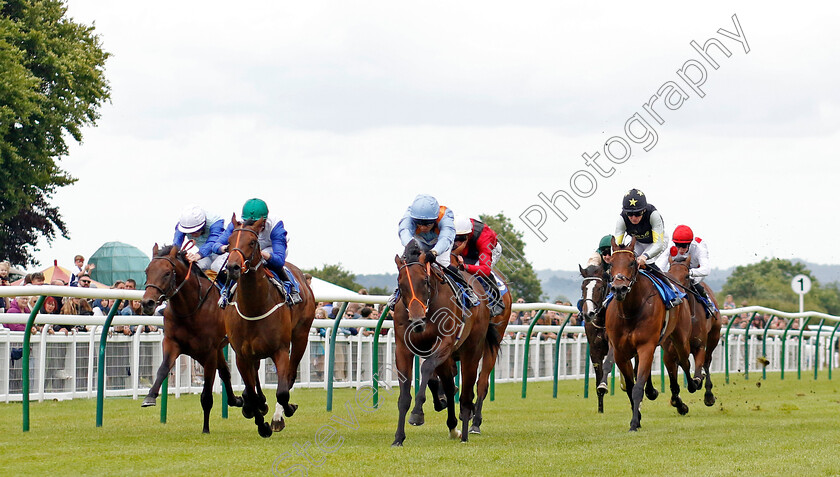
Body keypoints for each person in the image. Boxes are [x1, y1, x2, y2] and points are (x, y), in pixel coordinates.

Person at [394, 194, 478, 307]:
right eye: (419, 223)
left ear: (435, 219)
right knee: (408, 264)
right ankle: (397, 292)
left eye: (427, 224)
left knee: (443, 263)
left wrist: (435, 252)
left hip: (441, 242)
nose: (423, 227)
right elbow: (404, 230)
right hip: (418, 242)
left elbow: (446, 238)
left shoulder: (445, 215)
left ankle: (467, 289)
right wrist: (409, 245)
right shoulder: (409, 215)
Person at [216, 198, 302, 305]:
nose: (253, 226)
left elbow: (280, 260)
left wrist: (261, 254)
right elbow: (216, 245)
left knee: (271, 264)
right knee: (234, 262)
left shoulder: (275, 225)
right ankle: (226, 291)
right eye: (249, 222)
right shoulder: (238, 222)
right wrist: (225, 248)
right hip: (248, 248)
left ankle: (291, 287)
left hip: (270, 249)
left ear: (264, 220)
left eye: (257, 223)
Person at [451, 214, 504, 316]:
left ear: (468, 234)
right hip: (467, 249)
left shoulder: (484, 237)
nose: (457, 243)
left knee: (478, 274)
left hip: (489, 250)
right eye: (455, 238)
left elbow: (485, 269)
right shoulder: (448, 229)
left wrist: (465, 266)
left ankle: (496, 301)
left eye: (461, 238)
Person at [614, 188, 666, 270]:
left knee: (648, 263)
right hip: (639, 243)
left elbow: (658, 244)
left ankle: (667, 283)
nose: (634, 218)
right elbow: (616, 246)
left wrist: (645, 256)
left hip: (657, 243)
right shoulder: (622, 219)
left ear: (644, 210)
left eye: (638, 213)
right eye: (629, 214)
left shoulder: (653, 215)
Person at [173, 204, 227, 272]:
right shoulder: (183, 224)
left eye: (195, 231)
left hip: (224, 252)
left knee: (216, 266)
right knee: (194, 268)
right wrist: (172, 253)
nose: (192, 235)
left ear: (203, 225)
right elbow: (177, 241)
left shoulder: (216, 222)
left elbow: (213, 242)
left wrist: (198, 255)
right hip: (207, 255)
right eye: (189, 232)